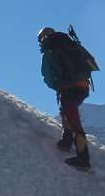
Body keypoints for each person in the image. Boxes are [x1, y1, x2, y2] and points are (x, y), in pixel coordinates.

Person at [38, 26, 97, 171]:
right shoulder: (72, 45)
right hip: (83, 87)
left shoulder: (49, 51)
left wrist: (58, 85)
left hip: (67, 88)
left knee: (73, 120)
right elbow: (91, 64)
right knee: (68, 113)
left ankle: (83, 158)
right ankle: (67, 140)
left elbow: (48, 77)